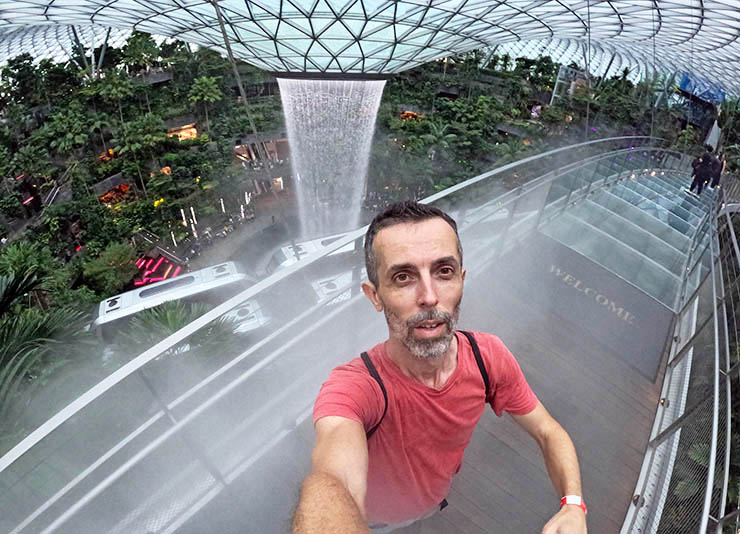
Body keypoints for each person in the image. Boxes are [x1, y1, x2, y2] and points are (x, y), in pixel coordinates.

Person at [293, 201, 587, 534]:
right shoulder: (356, 388)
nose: (429, 297)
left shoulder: (486, 357)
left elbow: (549, 432)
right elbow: (333, 482)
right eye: (403, 277)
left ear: (462, 279)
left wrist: (574, 504)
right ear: (374, 296)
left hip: (431, 504)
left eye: (443, 271)